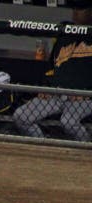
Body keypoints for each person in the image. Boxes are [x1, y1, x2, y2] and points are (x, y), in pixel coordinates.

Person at [13, 0, 92, 142]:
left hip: (84, 97)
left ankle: (86, 148)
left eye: (81, 9)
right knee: (21, 116)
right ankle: (45, 146)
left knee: (68, 122)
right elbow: (51, 67)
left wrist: (88, 92)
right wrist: (46, 87)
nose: (76, 12)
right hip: (56, 93)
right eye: (75, 8)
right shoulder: (64, 32)